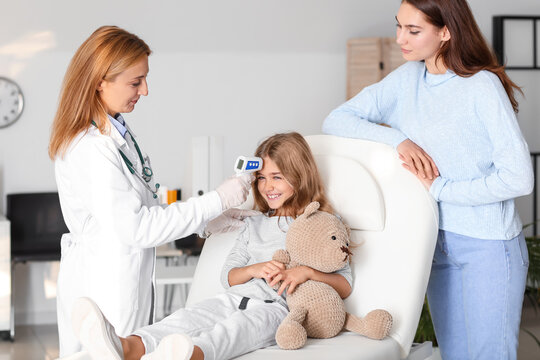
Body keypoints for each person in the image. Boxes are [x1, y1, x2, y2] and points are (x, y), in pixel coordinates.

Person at [322, 1, 534, 359]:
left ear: (446, 32)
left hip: (488, 246)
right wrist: (398, 140)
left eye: (413, 30)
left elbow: (519, 178)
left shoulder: (481, 86)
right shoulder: (408, 79)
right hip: (434, 241)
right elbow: (337, 120)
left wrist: (442, 189)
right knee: (453, 354)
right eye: (399, 26)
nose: (400, 38)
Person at [49, 26, 252, 357]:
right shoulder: (90, 148)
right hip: (104, 285)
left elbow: (144, 206)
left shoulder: (117, 136)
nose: (145, 90)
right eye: (135, 81)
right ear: (101, 81)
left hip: (123, 277)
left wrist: (207, 222)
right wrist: (216, 200)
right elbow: (136, 227)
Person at [69, 132, 353, 360]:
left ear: (299, 176)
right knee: (184, 319)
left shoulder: (319, 223)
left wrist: (305, 272)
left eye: (277, 177)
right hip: (232, 299)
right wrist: (254, 269)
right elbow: (228, 276)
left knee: (233, 332)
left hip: (276, 308)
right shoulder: (253, 222)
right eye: (262, 178)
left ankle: (188, 355)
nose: (268, 187)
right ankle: (125, 347)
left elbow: (344, 284)